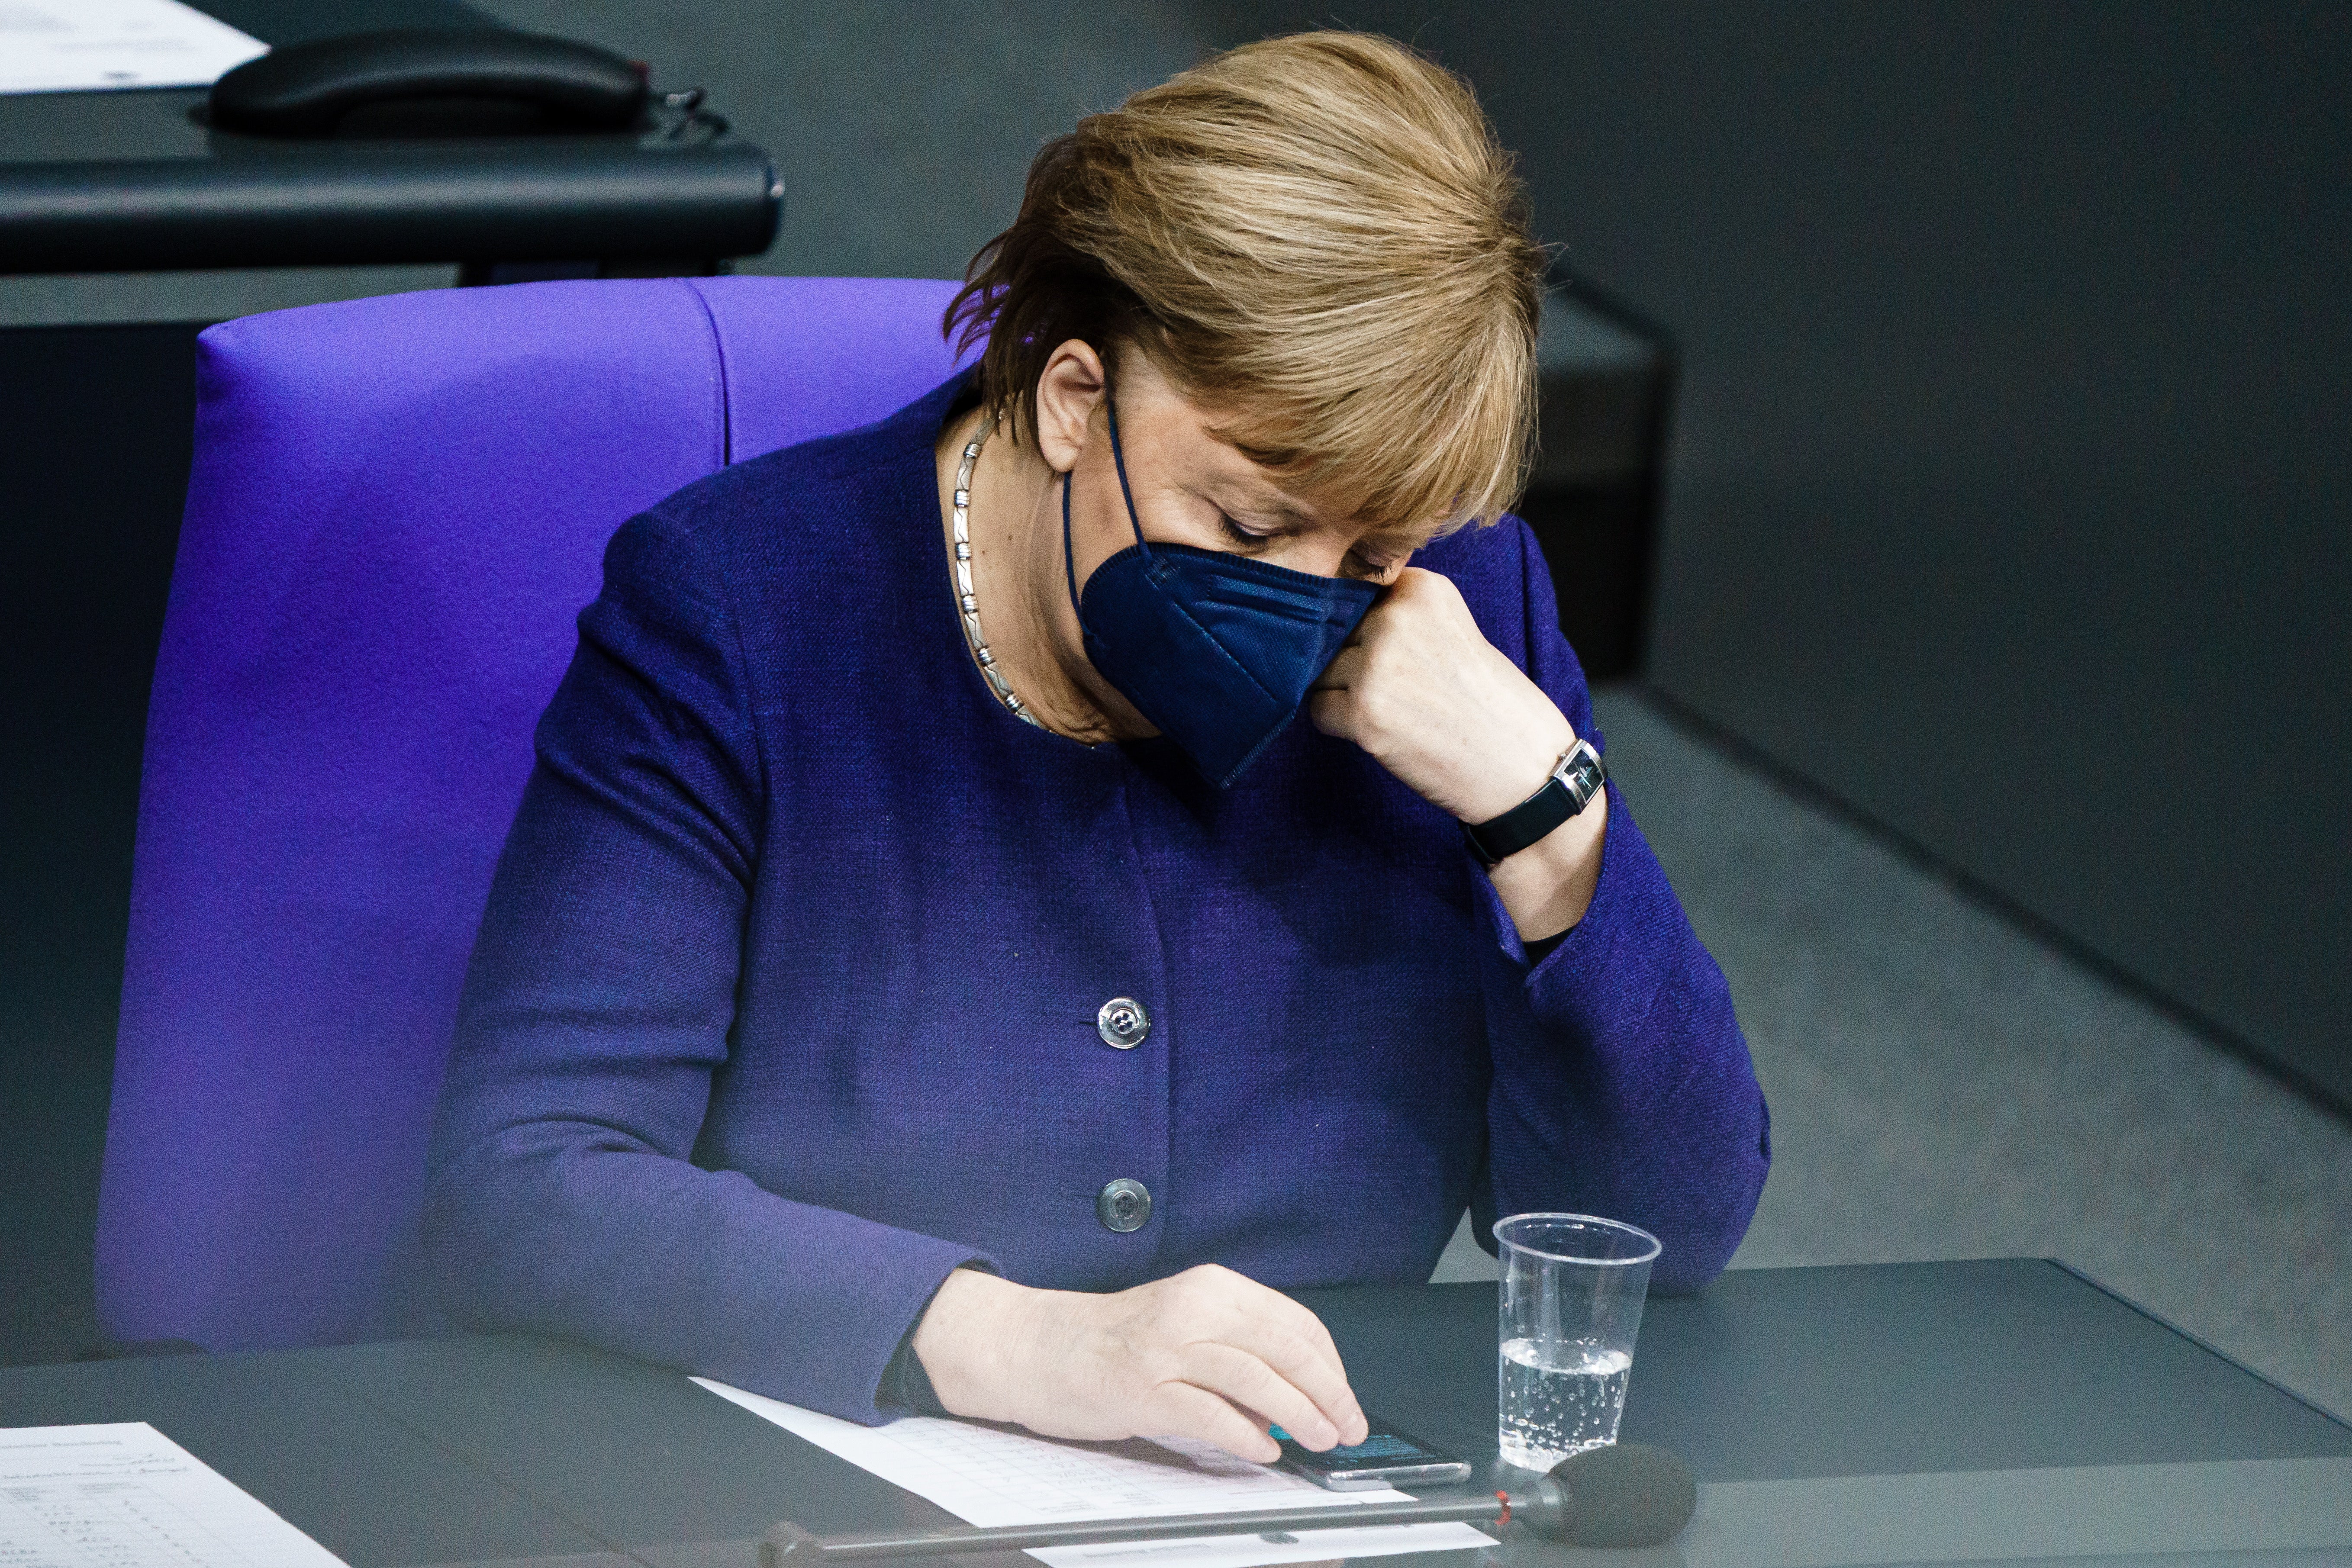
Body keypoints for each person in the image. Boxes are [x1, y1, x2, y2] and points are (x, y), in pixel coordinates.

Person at [421, 30, 1768, 1465]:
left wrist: (1545, 815)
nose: (1316, 595)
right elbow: (530, 1179)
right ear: (1075, 399)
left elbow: (1661, 1237)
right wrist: (1018, 1341)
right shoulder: (746, 610)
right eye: (1251, 529)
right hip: (827, 1473)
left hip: (1297, 1489)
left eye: (1371, 549)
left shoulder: (1463, 611)